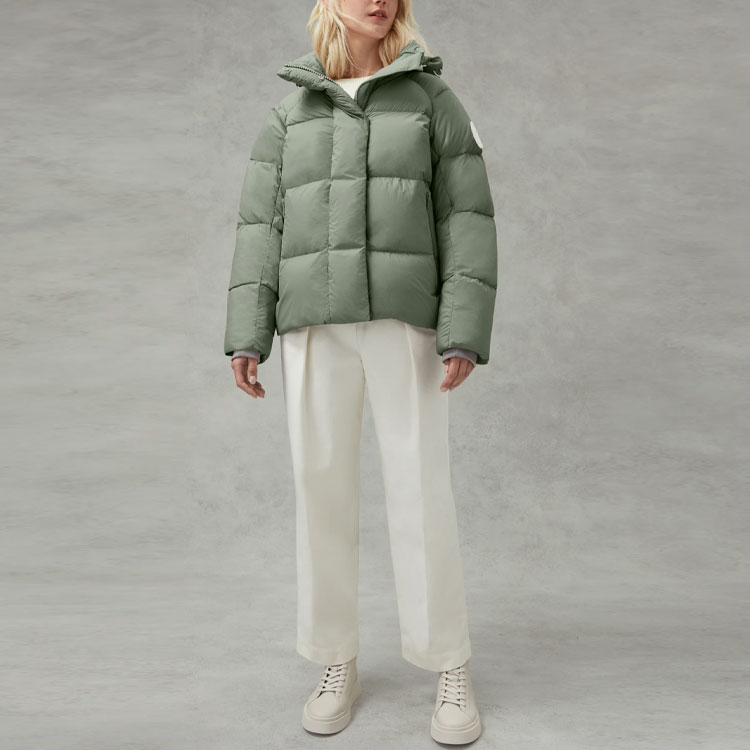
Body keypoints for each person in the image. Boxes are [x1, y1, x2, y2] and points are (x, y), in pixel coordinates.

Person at [223, 0, 497, 744]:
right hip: (313, 325)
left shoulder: (432, 101)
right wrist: (248, 333)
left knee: (421, 489)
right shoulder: (288, 115)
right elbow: (259, 228)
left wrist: (462, 330)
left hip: (405, 320)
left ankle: (449, 663)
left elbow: (466, 217)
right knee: (320, 489)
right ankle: (334, 658)